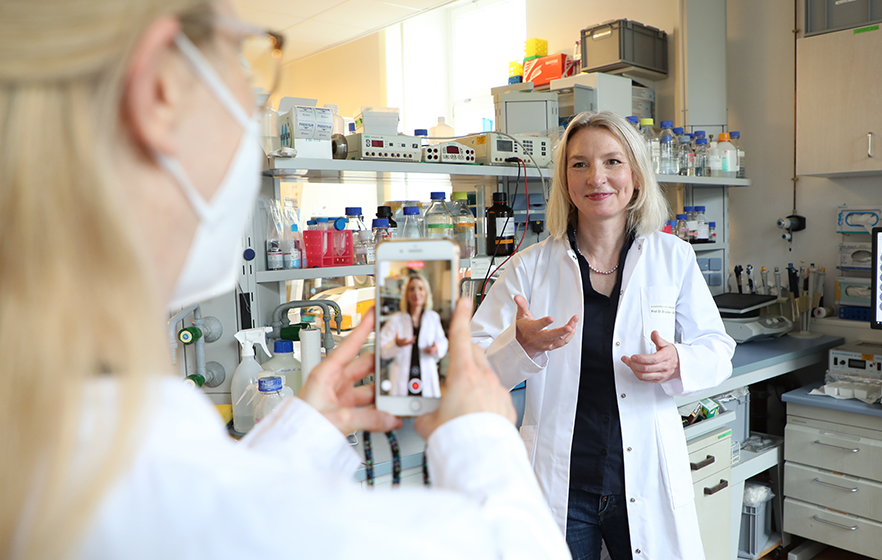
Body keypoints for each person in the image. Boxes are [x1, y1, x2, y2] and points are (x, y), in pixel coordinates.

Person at [0, 1, 571, 558]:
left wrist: (303, 435)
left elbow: (227, 515)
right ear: (159, 92)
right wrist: (483, 435)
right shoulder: (164, 483)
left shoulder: (56, 431)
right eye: (244, 56)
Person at [470, 111, 737, 560]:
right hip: (561, 482)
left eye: (613, 161)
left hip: (644, 475)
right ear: (565, 179)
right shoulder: (529, 268)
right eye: (580, 164)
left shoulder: (673, 258)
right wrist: (521, 348)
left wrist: (677, 361)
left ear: (634, 173)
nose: (597, 177)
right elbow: (472, 366)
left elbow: (717, 349)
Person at [379, 274, 448, 397]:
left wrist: (436, 348)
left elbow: (443, 342)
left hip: (427, 374)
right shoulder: (396, 320)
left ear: (426, 293)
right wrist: (396, 344)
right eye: (412, 289)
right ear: (406, 293)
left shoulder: (433, 318)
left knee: (427, 413)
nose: (416, 292)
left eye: (420, 288)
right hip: (402, 376)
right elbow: (382, 350)